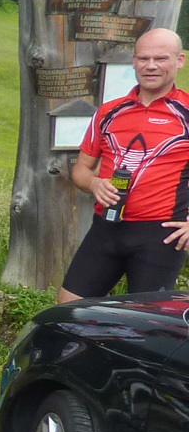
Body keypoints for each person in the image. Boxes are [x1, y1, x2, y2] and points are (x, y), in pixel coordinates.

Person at [59, 27, 189, 302]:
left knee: (148, 319)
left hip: (160, 236)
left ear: (180, 61)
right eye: (143, 58)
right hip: (106, 227)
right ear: (134, 61)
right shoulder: (109, 111)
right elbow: (80, 170)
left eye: (161, 58)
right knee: (70, 306)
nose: (151, 66)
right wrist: (94, 183)